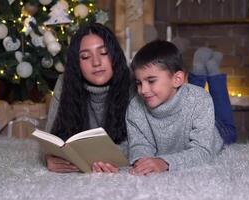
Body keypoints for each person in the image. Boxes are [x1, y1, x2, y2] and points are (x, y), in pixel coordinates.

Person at [126, 40, 223, 176]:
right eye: (139, 82)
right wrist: (143, 162)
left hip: (214, 135)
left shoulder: (199, 100)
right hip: (176, 145)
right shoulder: (135, 106)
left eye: (151, 81)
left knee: (228, 128)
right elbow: (139, 145)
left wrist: (165, 162)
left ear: (177, 79)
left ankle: (209, 67)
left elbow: (203, 151)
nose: (143, 90)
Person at [45, 22, 131, 173]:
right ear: (77, 64)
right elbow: (51, 137)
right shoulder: (64, 82)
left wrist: (102, 159)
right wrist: (50, 157)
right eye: (85, 57)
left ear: (115, 56)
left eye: (103, 53)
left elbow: (142, 143)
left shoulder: (134, 83)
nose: (96, 63)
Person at [188, 47, 237, 144]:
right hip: (215, 133)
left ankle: (203, 71)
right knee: (228, 131)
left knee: (191, 114)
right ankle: (211, 71)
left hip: (193, 131)